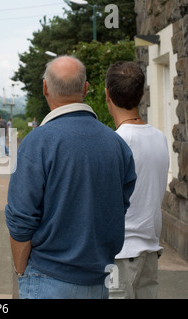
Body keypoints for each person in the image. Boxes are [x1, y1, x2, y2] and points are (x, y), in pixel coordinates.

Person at [5, 55, 137, 299]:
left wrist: (21, 271)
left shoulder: (36, 143)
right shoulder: (117, 145)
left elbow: (21, 218)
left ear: (45, 87)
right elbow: (120, 206)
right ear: (85, 89)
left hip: (46, 278)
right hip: (99, 280)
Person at [105, 61, 170, 299]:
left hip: (120, 256)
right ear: (142, 94)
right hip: (150, 252)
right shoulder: (160, 138)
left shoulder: (114, 143)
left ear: (107, 95)